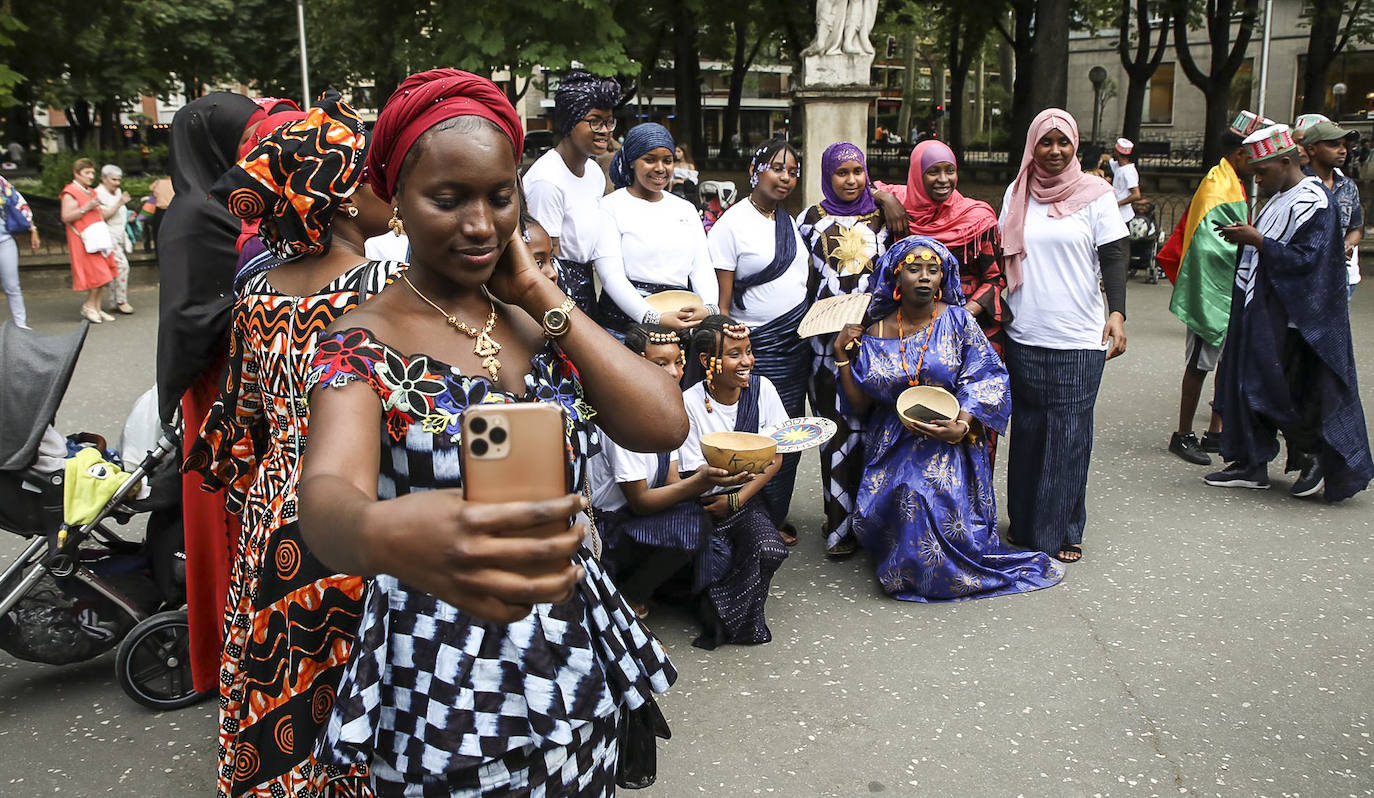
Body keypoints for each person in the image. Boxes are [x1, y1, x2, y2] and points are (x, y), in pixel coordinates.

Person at [296, 69, 682, 795]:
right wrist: (381, 532)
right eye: (447, 199)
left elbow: (662, 422)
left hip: (573, 654)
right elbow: (325, 494)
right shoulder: (362, 341)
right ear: (399, 203)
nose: (480, 224)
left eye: (499, 197)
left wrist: (540, 292)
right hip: (447, 684)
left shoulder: (534, 322)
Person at [182, 93, 402, 798]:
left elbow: (236, 426)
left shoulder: (256, 294)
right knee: (358, 689)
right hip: (354, 511)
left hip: (273, 523)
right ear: (337, 200)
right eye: (368, 175)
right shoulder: (382, 288)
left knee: (287, 688)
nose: (383, 185)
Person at [831, 236, 1064, 600]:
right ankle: (908, 570)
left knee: (927, 491)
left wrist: (964, 422)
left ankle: (934, 572)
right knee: (904, 492)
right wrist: (840, 356)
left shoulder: (957, 321)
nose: (924, 277)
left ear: (943, 278)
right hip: (893, 441)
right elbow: (859, 406)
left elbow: (988, 375)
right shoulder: (873, 333)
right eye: (914, 269)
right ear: (896, 276)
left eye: (933, 269)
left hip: (950, 435)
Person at [156, 91, 263, 696]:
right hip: (217, 387)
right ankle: (227, 657)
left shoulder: (231, 206)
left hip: (243, 381)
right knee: (222, 522)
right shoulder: (196, 215)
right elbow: (186, 319)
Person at [1209, 124, 1373, 500]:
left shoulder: (1313, 201)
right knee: (1248, 384)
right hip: (1263, 311)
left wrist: (1258, 240)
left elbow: (1310, 261)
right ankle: (1251, 462)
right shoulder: (1281, 196)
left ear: (1286, 161)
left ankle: (1315, 457)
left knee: (1284, 391)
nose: (1259, 181)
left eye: (1262, 172)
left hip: (1295, 321)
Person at [999, 108, 1129, 564]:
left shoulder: (1097, 193)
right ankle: (1026, 522)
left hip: (1079, 335)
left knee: (1071, 435)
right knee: (1031, 431)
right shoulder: (1017, 192)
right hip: (1026, 331)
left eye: (1064, 142)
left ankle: (1063, 531)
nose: (1054, 151)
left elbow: (1113, 255)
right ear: (1032, 145)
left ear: (1076, 146)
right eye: (1045, 142)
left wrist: (1118, 313)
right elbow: (1003, 255)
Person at [593, 324, 737, 618]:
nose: (673, 373)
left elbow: (671, 479)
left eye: (678, 362)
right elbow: (641, 501)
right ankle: (628, 600)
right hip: (609, 527)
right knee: (691, 528)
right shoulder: (622, 416)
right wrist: (698, 484)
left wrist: (720, 480)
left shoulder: (663, 404)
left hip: (638, 515)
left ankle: (650, 585)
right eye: (660, 364)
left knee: (706, 535)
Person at [708, 140, 810, 545]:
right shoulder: (731, 225)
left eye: (792, 171)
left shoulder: (790, 223)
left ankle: (774, 515)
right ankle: (746, 515)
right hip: (754, 344)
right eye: (777, 168)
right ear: (755, 170)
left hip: (794, 343)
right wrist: (733, 347)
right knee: (753, 435)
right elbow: (721, 302)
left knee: (789, 435)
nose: (785, 177)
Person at [797, 141, 889, 555]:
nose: (851, 180)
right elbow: (799, 282)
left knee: (874, 433)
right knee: (836, 436)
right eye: (841, 173)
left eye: (858, 171)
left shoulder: (884, 219)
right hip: (823, 348)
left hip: (875, 343)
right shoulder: (809, 222)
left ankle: (876, 526)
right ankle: (839, 529)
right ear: (827, 176)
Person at [678, 315, 789, 648]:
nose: (747, 362)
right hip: (702, 502)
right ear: (705, 361)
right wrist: (718, 498)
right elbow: (691, 471)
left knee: (769, 548)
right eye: (735, 354)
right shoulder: (690, 402)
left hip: (743, 498)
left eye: (749, 351)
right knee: (713, 563)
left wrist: (737, 499)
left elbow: (776, 456)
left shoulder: (763, 390)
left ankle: (729, 613)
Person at [1156, 130, 1252, 465]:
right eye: (1253, 154)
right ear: (1239, 154)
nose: (1258, 161)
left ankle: (1216, 431)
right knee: (1199, 364)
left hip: (1227, 289)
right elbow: (1208, 243)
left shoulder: (1231, 180)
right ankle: (1182, 434)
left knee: (1224, 363)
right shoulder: (1217, 184)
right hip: (1211, 291)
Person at [874, 139, 1007, 355]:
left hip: (970, 324)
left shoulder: (977, 219)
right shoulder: (902, 207)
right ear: (917, 175)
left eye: (950, 171)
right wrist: (885, 198)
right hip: (911, 323)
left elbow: (995, 278)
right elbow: (862, 186)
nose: (943, 180)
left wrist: (961, 317)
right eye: (933, 172)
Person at [595, 122, 718, 335]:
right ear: (632, 161)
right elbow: (610, 275)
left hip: (681, 322)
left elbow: (701, 267)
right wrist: (652, 316)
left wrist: (708, 308)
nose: (660, 168)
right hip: (625, 327)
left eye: (667, 161)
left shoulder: (686, 209)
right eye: (650, 160)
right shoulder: (610, 206)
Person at [523, 69, 621, 314]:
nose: (605, 130)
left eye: (609, 121)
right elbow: (545, 257)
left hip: (586, 278)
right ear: (569, 123)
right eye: (595, 121)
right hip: (557, 284)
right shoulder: (547, 180)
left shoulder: (594, 172)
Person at [1301, 121, 1364, 300]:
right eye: (1334, 144)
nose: (1343, 150)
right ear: (1312, 149)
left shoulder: (1348, 186)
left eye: (1344, 145)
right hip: (1305, 280)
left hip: (1340, 278)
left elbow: (1356, 227)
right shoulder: (1298, 184)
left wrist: (1347, 245)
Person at [59, 157, 119, 324]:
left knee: (105, 273)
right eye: (87, 173)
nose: (91, 176)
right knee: (99, 274)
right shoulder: (70, 191)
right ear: (76, 173)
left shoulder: (90, 191)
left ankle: (97, 308)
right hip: (84, 239)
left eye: (92, 172)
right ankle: (89, 306)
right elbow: (66, 217)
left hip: (97, 237)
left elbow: (100, 214)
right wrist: (87, 207)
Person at [0, 174, 40, 329]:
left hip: (4, 242)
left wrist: (33, 229)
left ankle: (21, 325)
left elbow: (19, 204)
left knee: (12, 286)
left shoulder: (2, 183)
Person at [95, 164, 135, 315]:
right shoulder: (98, 193)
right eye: (114, 180)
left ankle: (113, 301)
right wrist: (120, 203)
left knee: (115, 268)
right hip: (106, 237)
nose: (117, 183)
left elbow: (119, 213)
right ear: (104, 179)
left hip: (118, 235)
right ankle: (121, 301)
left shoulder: (117, 191)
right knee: (123, 266)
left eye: (119, 180)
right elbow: (103, 216)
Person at [1109, 138, 1142, 223]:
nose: (1112, 153)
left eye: (1114, 151)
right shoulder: (1118, 166)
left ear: (1117, 153)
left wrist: (1118, 203)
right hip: (1117, 214)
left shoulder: (1128, 172)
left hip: (1123, 216)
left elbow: (1136, 195)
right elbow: (1108, 159)